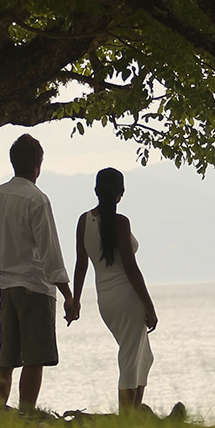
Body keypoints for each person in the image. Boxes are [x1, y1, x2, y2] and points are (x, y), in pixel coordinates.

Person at [0, 134, 76, 414]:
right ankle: (26, 415)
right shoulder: (37, 199)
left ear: (13, 162)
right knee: (34, 358)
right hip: (34, 287)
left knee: (7, 357)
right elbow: (50, 253)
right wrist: (68, 296)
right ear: (38, 165)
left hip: (6, 285)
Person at [71, 166, 158, 413]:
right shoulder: (121, 223)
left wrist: (76, 301)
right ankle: (126, 421)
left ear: (96, 191)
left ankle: (133, 414)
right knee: (131, 360)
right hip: (129, 298)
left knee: (143, 357)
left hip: (106, 302)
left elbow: (81, 264)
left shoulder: (84, 221)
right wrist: (149, 305)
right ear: (121, 193)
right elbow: (130, 268)